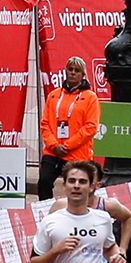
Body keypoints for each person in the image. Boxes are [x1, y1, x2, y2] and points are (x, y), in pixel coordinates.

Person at [41, 56, 102, 199]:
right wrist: (54, 145)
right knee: (44, 182)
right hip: (53, 151)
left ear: (83, 74)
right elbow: (45, 123)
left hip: (76, 154)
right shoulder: (53, 95)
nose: (73, 73)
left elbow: (91, 127)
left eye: (77, 70)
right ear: (65, 71)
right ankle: (47, 214)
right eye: (70, 69)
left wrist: (68, 146)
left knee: (75, 188)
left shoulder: (90, 97)